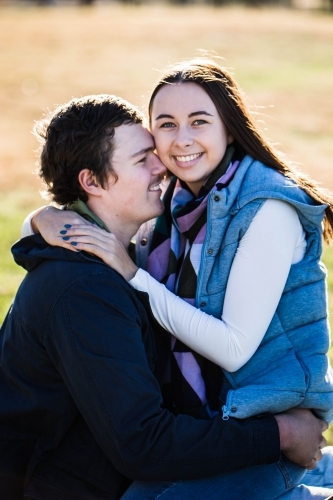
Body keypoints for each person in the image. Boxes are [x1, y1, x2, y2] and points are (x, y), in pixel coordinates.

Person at [25, 60, 333, 499]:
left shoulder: (268, 209)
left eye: (199, 122)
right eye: (166, 125)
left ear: (230, 128)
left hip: (262, 431)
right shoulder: (175, 201)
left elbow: (232, 348)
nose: (182, 140)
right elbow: (90, 212)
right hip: (209, 430)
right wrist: (44, 217)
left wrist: (134, 275)